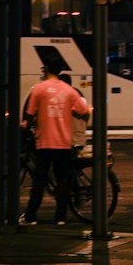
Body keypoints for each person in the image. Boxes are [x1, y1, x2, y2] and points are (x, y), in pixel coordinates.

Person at [20, 59, 92, 226]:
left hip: (44, 142)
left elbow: (30, 114)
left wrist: (26, 125)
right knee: (63, 181)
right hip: (63, 143)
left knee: (39, 180)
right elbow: (83, 110)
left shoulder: (38, 89)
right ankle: (60, 217)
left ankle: (31, 216)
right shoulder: (69, 90)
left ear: (46, 69)